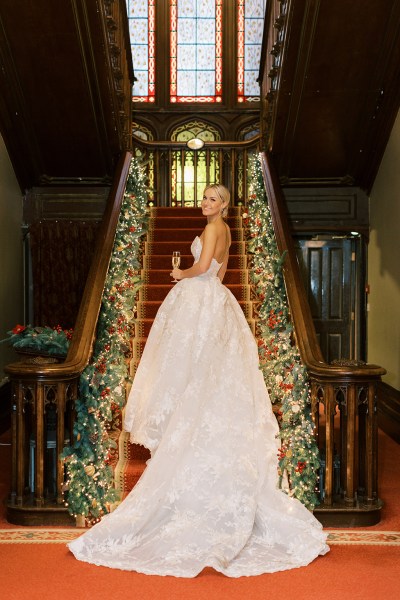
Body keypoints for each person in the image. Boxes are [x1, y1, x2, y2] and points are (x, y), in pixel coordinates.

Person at [68, 184, 329, 577]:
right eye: (204, 198)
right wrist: (203, 280)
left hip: (197, 299)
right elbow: (222, 273)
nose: (204, 203)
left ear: (223, 204)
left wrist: (179, 273)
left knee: (190, 368)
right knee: (209, 371)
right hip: (218, 301)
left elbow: (204, 267)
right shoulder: (227, 231)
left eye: (211, 199)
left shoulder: (211, 231)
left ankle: (184, 422)